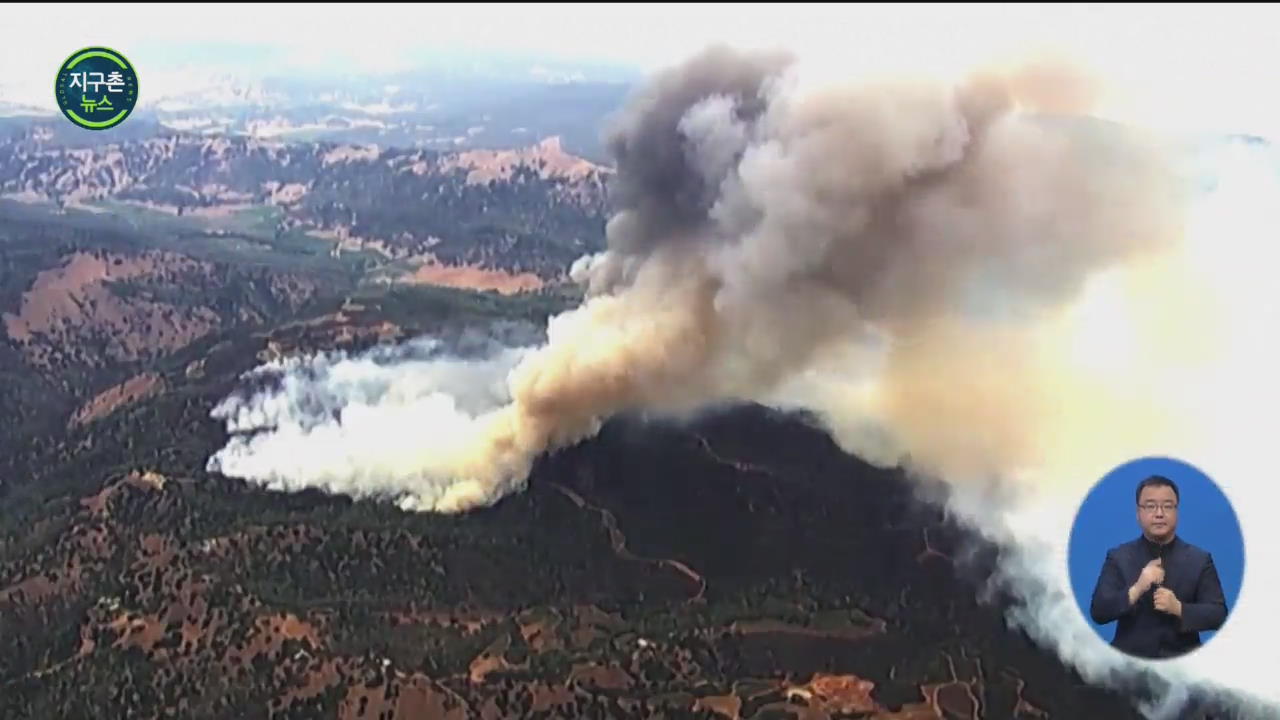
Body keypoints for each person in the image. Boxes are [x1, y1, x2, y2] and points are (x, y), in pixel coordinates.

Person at [1089, 474, 1228, 659]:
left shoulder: (1200, 559)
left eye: (1167, 506)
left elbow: (1218, 615)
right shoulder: (1118, 557)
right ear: (1138, 514)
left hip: (1182, 665)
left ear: (1177, 512)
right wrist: (1137, 589)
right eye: (1150, 506)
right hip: (1127, 664)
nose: (1159, 513)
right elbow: (1099, 612)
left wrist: (1179, 608)